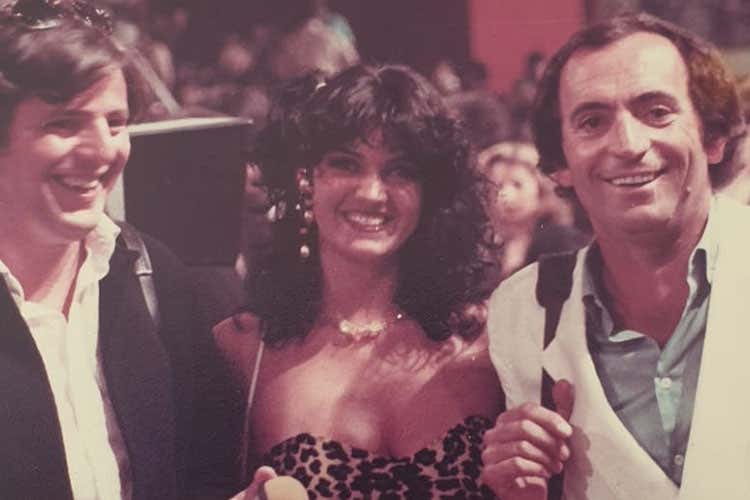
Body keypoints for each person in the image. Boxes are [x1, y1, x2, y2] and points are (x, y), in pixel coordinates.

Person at [481, 12, 747, 500]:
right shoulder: (523, 310)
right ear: (559, 164)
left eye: (657, 112)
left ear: (713, 136)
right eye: (592, 122)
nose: (627, 145)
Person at [214, 63, 504, 498]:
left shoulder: (489, 342)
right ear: (305, 178)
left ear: (430, 192)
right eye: (345, 164)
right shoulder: (243, 350)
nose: (371, 192)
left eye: (400, 171)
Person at [0, 0, 240, 497]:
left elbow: (201, 472)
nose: (102, 151)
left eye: (115, 122)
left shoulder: (151, 275)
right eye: (64, 123)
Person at [478, 141, 588, 281]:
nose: (507, 195)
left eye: (517, 185)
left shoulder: (560, 241)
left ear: (540, 188)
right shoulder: (487, 248)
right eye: (498, 186)